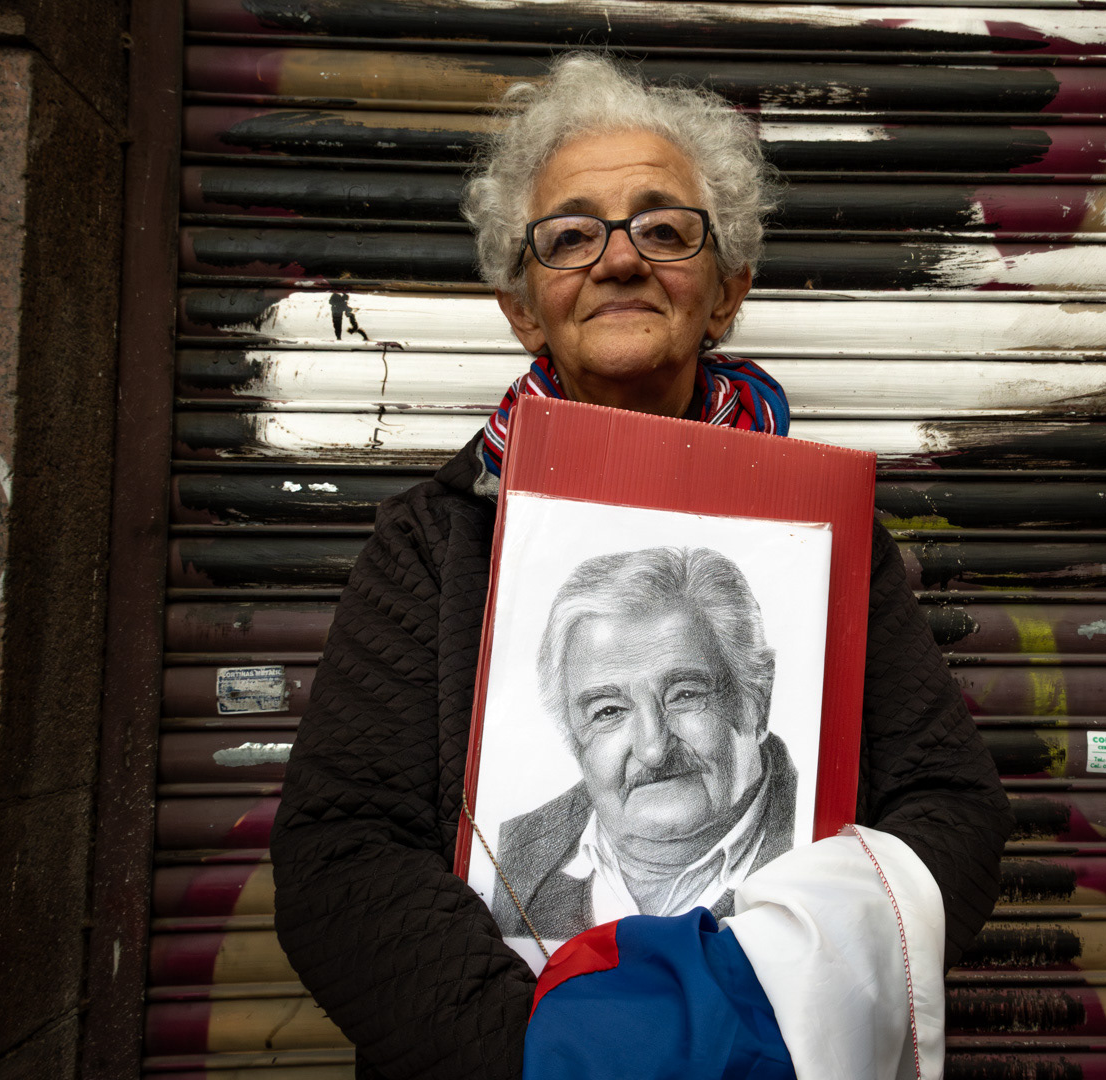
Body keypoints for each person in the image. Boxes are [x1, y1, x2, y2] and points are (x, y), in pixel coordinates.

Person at [270, 53, 1013, 1080]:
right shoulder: (431, 546)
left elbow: (952, 809)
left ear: (727, 293)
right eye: (571, 236)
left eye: (664, 230)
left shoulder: (826, 540)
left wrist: (762, 1012)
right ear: (525, 309)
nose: (619, 261)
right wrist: (556, 1051)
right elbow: (339, 856)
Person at [491, 546, 798, 939]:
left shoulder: (823, 840)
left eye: (685, 694)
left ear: (758, 698)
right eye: (608, 711)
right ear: (572, 733)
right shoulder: (507, 858)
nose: (653, 750)